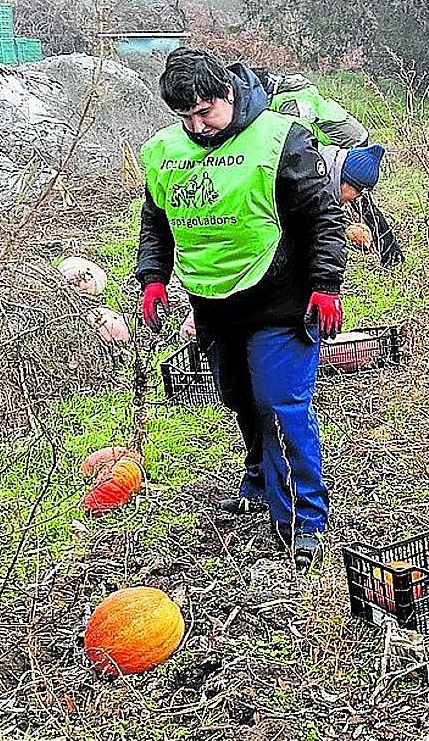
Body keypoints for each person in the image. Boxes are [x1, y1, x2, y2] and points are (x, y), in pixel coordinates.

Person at [135, 47, 346, 571]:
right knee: (238, 397)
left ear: (228, 93)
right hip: (213, 302)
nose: (196, 125)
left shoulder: (282, 140)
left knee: (279, 405)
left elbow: (324, 218)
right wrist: (154, 278)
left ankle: (301, 521)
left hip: (281, 299)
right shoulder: (165, 150)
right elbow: (156, 220)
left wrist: (325, 285)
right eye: (185, 116)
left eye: (205, 111)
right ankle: (258, 479)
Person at [254, 68, 406, 268]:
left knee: (352, 201)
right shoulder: (286, 94)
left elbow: (298, 147)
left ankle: (389, 254)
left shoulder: (291, 103)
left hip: (351, 151)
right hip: (342, 146)